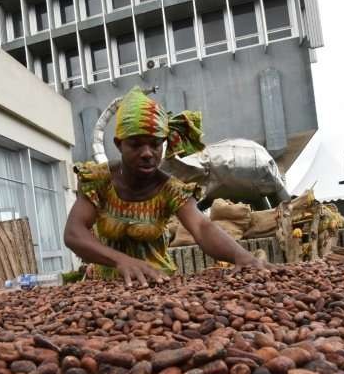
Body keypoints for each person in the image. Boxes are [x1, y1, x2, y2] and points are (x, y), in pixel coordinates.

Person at [63, 87, 275, 287]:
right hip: (107, 288)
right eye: (136, 144)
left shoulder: (169, 188)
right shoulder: (99, 180)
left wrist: (241, 256)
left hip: (158, 283)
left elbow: (202, 227)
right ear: (119, 144)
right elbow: (74, 232)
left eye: (155, 144)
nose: (147, 153)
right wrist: (121, 261)